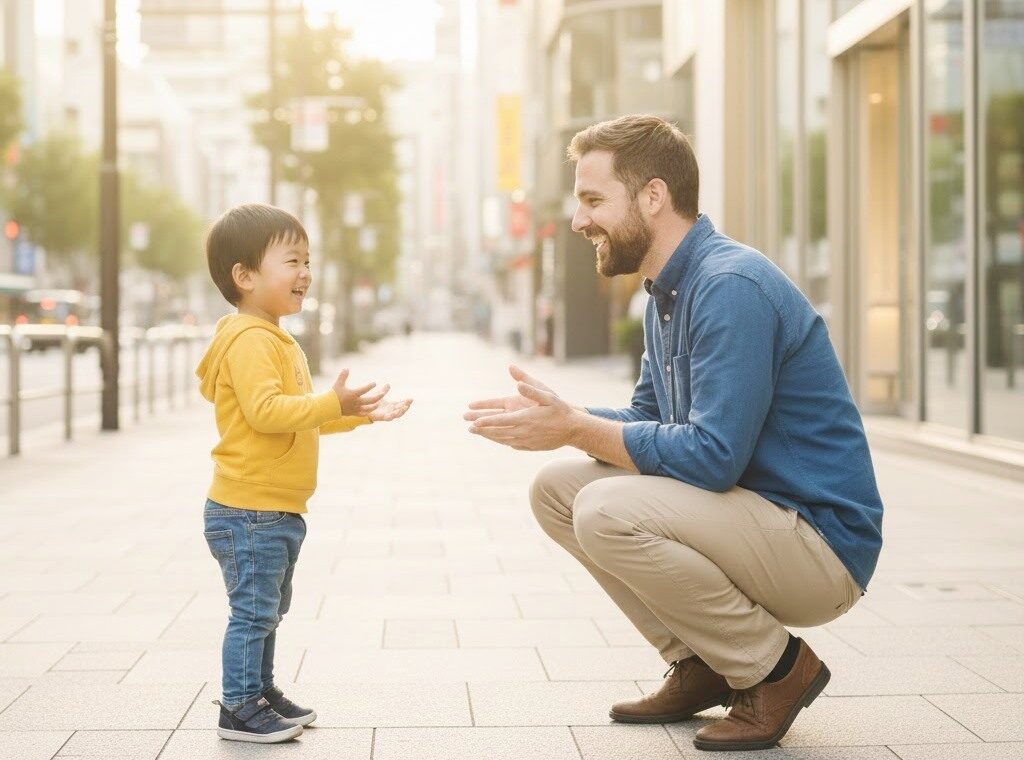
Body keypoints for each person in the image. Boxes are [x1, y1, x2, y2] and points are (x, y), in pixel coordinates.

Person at [464, 115, 883, 752]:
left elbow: (713, 458)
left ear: (653, 197)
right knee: (556, 490)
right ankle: (703, 662)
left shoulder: (727, 287)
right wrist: (564, 423)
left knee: (604, 508)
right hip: (756, 518)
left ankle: (775, 670)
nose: (580, 221)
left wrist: (576, 427)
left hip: (818, 543)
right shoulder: (669, 290)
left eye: (593, 200)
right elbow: (650, 419)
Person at [196, 203, 412, 743]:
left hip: (274, 510)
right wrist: (328, 402)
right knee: (252, 612)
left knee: (268, 609)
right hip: (249, 510)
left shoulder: (273, 336)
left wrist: (349, 413)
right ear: (244, 276)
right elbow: (268, 412)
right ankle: (239, 706)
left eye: (307, 260)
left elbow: (297, 420)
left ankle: (259, 691)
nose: (305, 273)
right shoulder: (249, 340)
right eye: (291, 260)